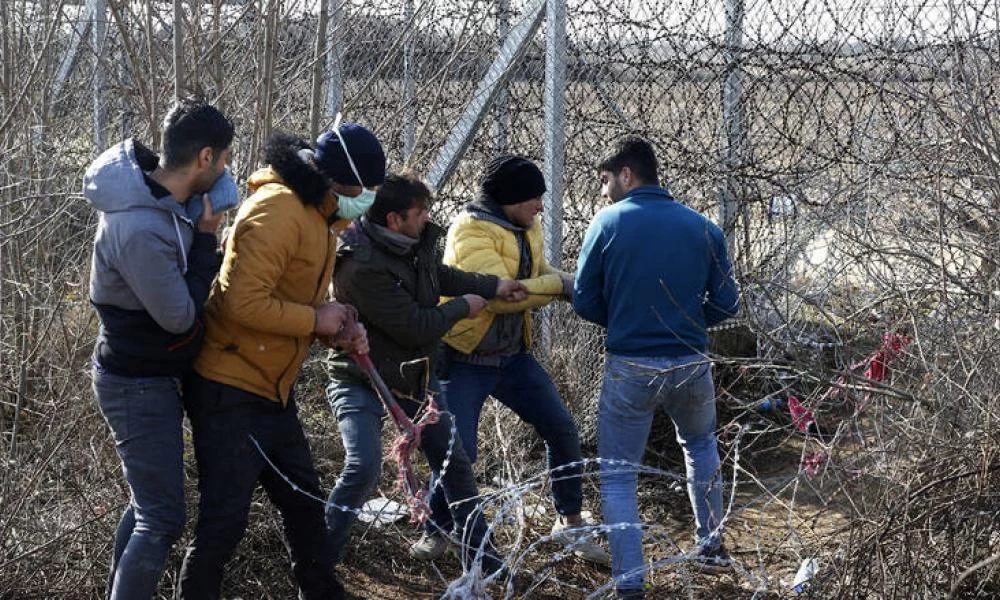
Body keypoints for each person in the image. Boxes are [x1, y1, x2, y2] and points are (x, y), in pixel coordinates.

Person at [175, 123, 380, 600]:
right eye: (362, 190)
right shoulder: (279, 210)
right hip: (229, 386)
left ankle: (322, 592)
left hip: (270, 387)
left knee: (304, 504)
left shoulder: (319, 216)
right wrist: (315, 318)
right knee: (224, 521)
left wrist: (336, 329)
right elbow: (241, 303)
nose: (366, 201)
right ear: (337, 181)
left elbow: (291, 298)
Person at [324, 171, 525, 574]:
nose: (428, 217)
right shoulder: (361, 265)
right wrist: (462, 307)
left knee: (454, 465)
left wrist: (493, 286)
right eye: (420, 212)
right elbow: (415, 326)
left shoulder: (415, 243)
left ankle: (483, 561)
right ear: (394, 219)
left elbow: (439, 277)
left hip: (415, 376)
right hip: (362, 378)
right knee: (363, 467)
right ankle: (321, 558)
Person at [415, 155, 608, 565]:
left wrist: (565, 281)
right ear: (510, 198)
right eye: (534, 198)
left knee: (561, 429)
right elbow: (501, 298)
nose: (541, 206)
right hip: (465, 359)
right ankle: (436, 528)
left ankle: (570, 521)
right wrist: (559, 285)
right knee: (459, 450)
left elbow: (534, 270)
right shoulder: (470, 231)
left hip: (513, 358)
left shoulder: (526, 226)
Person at [573, 136, 740, 598]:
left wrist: (627, 319)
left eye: (605, 180)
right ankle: (711, 548)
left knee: (618, 473)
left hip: (631, 364)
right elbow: (728, 303)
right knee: (701, 446)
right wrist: (686, 321)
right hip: (691, 360)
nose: (603, 191)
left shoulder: (607, 223)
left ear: (627, 175)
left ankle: (630, 583)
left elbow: (584, 300)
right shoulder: (703, 228)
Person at [85, 98, 233, 599]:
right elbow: (179, 317)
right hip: (136, 384)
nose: (227, 171)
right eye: (225, 160)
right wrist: (207, 241)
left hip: (150, 376)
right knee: (162, 518)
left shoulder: (163, 205)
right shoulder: (139, 227)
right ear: (205, 157)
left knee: (148, 505)